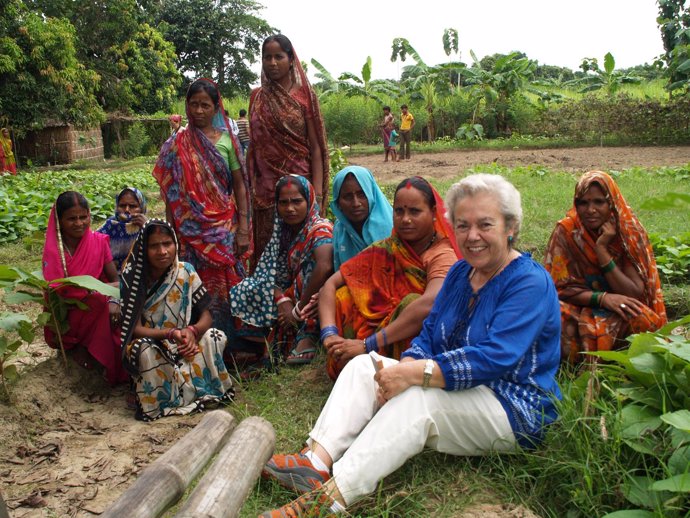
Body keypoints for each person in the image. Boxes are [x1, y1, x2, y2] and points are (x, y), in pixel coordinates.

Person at [259, 173, 562, 517]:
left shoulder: (528, 281)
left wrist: (417, 373)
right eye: (462, 225)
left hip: (512, 405)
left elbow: (495, 357)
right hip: (458, 390)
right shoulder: (462, 274)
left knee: (420, 399)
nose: (472, 236)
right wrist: (407, 366)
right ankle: (315, 460)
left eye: (485, 225)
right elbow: (430, 333)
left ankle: (328, 501)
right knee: (363, 366)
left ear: (511, 227)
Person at [319, 176, 460, 380]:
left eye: (415, 211)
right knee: (343, 295)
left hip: (411, 345)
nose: (405, 219)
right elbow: (330, 284)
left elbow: (430, 303)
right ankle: (346, 357)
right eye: (399, 211)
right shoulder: (387, 248)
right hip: (373, 336)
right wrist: (329, 335)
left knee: (413, 303)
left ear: (434, 215)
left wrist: (367, 344)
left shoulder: (441, 254)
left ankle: (386, 370)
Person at [153, 78, 251, 340]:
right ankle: (196, 340)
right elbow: (171, 192)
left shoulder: (228, 141)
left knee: (228, 283)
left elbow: (240, 186)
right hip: (189, 231)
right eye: (194, 104)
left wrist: (243, 228)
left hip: (223, 227)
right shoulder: (177, 143)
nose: (199, 111)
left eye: (205, 105)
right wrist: (171, 231)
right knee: (194, 285)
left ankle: (233, 343)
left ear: (216, 106)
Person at [544, 170, 667, 364]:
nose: (590, 210)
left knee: (645, 321)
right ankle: (586, 360)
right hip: (578, 306)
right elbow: (556, 289)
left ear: (611, 203)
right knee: (548, 315)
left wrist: (602, 249)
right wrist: (602, 298)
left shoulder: (628, 233)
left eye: (598, 202)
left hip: (619, 309)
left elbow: (634, 293)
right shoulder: (566, 232)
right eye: (583, 203)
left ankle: (615, 361)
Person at [120, 220, 234, 421]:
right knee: (142, 349)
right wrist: (169, 334)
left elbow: (207, 313)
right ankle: (163, 400)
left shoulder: (185, 271)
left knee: (215, 336)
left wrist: (193, 331)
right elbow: (134, 329)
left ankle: (206, 390)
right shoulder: (134, 278)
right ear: (143, 249)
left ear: (175, 244)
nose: (162, 251)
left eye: (167, 244)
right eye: (154, 246)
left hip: (187, 341)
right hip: (157, 346)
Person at [231, 175, 333, 366]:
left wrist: (296, 310)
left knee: (310, 267)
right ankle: (258, 346)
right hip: (289, 297)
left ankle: (306, 336)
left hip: (310, 300)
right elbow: (267, 272)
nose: (290, 209)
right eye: (283, 203)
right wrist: (281, 299)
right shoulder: (283, 232)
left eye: (297, 201)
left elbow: (325, 266)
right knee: (246, 288)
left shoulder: (320, 228)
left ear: (309, 200)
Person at [248, 34, 329, 263]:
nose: (272, 63)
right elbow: (253, 147)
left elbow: (315, 149)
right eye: (267, 57)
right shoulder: (257, 97)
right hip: (265, 195)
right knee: (267, 258)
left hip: (298, 191)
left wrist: (318, 195)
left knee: (300, 256)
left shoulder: (305, 97)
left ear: (291, 59)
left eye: (278, 57)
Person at [42, 191, 128, 385]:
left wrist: (112, 298)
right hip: (68, 312)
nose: (79, 223)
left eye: (83, 217)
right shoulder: (55, 251)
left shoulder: (98, 241)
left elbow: (116, 282)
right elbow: (56, 291)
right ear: (59, 221)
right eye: (72, 218)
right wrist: (94, 291)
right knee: (97, 301)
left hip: (97, 305)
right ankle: (80, 352)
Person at [330, 165, 393, 271]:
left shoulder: (389, 228)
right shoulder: (340, 228)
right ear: (338, 202)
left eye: (362, 195)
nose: (356, 203)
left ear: (372, 194)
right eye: (348, 197)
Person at [96, 187, 148, 271]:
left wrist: (147, 227)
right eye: (122, 206)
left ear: (142, 208)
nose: (127, 210)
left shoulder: (147, 226)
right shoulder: (109, 225)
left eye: (133, 206)